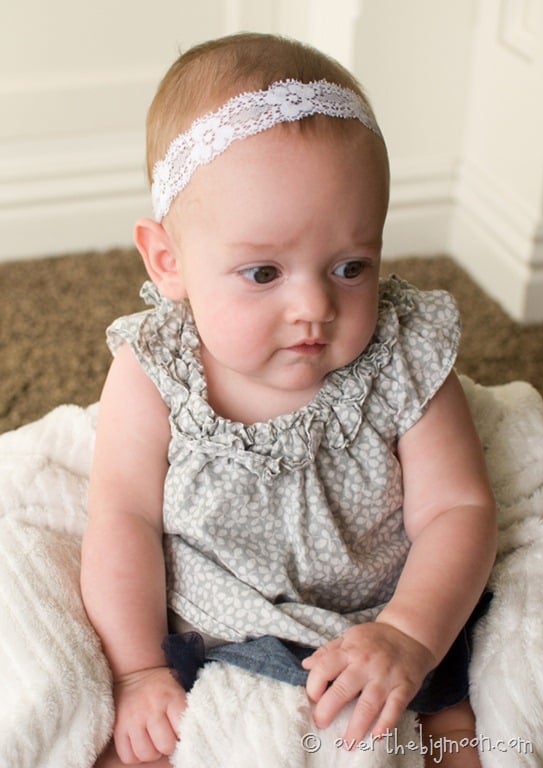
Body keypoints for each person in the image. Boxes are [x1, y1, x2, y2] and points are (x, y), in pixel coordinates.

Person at [81, 32, 497, 768]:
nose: (314, 306)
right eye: (263, 272)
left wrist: (409, 633)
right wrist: (137, 670)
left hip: (382, 619)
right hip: (212, 625)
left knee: (458, 734)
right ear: (168, 261)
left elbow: (458, 510)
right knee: (131, 745)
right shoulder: (155, 370)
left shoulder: (403, 356)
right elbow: (123, 518)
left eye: (349, 265)